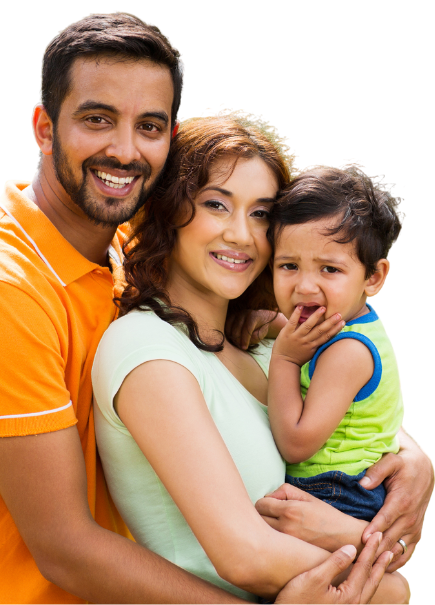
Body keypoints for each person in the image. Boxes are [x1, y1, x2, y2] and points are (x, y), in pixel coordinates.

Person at [0, 10, 432, 605]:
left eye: (149, 125)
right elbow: (66, 544)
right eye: (97, 119)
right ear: (42, 127)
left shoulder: (126, 253)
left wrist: (411, 458)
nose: (124, 150)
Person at [91, 114, 415, 602]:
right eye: (216, 205)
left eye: (262, 214)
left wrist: (415, 460)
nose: (242, 235)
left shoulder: (265, 342)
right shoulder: (146, 350)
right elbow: (245, 555)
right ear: (170, 211)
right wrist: (381, 570)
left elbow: (358, 418)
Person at [266, 164, 405, 522]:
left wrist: (284, 359)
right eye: (288, 266)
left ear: (374, 277)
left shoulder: (348, 352)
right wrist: (270, 323)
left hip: (338, 494)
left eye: (329, 269)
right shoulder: (344, 323)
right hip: (340, 489)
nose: (305, 286)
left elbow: (296, 445)